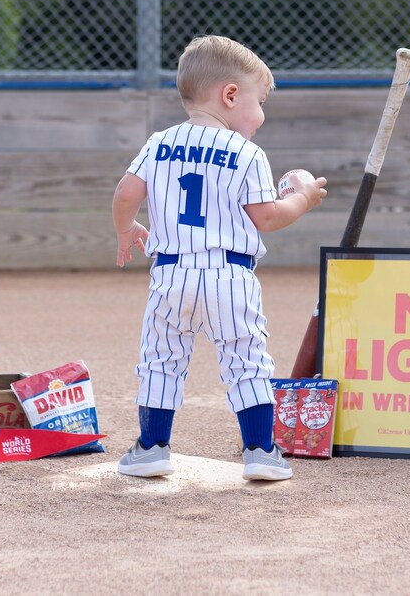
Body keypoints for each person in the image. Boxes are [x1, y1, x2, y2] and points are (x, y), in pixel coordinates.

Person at [111, 34, 328, 481]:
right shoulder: (247, 154)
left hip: (171, 273)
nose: (262, 114)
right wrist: (303, 200)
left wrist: (125, 228)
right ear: (230, 95)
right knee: (246, 359)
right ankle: (261, 452)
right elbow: (266, 218)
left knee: (161, 359)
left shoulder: (159, 142)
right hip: (229, 275)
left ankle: (152, 447)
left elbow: (126, 192)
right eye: (259, 100)